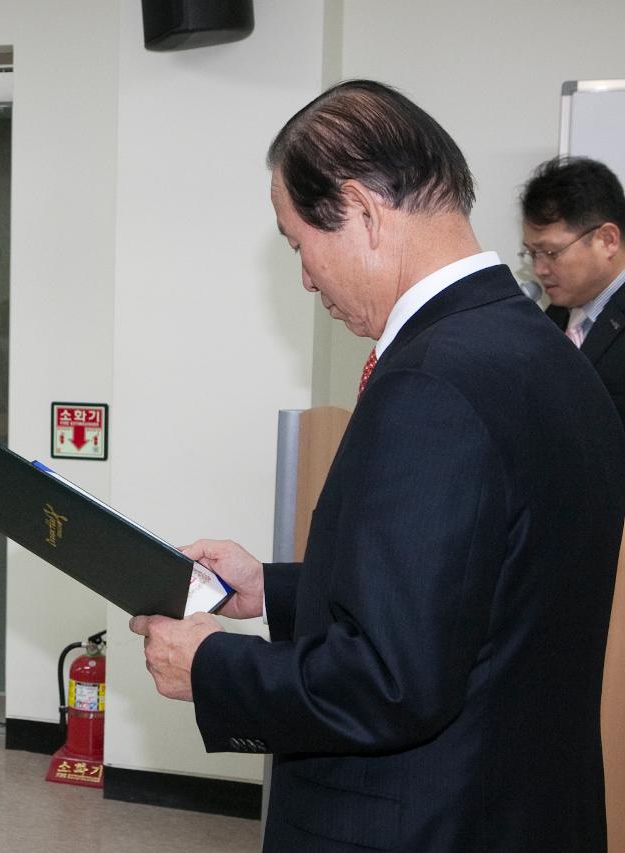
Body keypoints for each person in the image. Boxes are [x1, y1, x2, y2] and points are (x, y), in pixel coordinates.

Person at [129, 80, 625, 852]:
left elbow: (392, 681)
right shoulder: (547, 357)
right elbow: (478, 592)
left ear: (361, 209)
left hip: (418, 821)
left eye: (300, 244)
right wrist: (270, 589)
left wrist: (213, 668)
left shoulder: (432, 381)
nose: (304, 278)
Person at [520, 156, 625, 423]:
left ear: (607, 240)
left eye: (551, 252)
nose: (540, 269)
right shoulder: (550, 318)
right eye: (532, 253)